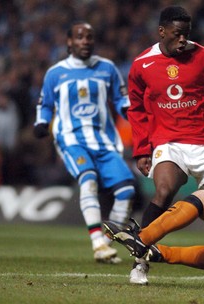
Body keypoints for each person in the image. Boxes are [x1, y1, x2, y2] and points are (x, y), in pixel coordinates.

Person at [127, 6, 204, 283]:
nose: (183, 40)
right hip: (170, 142)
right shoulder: (141, 65)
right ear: (162, 32)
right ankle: (139, 261)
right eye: (177, 34)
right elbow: (137, 110)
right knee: (164, 190)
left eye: (186, 35)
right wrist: (142, 150)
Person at [33, 21, 137, 264]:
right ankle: (97, 242)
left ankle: (106, 245)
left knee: (127, 191)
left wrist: (132, 114)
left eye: (89, 37)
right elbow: (45, 104)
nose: (85, 41)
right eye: (79, 37)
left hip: (105, 141)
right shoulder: (56, 73)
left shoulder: (107, 68)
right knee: (88, 179)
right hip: (71, 139)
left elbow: (121, 99)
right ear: (69, 41)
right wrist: (41, 122)